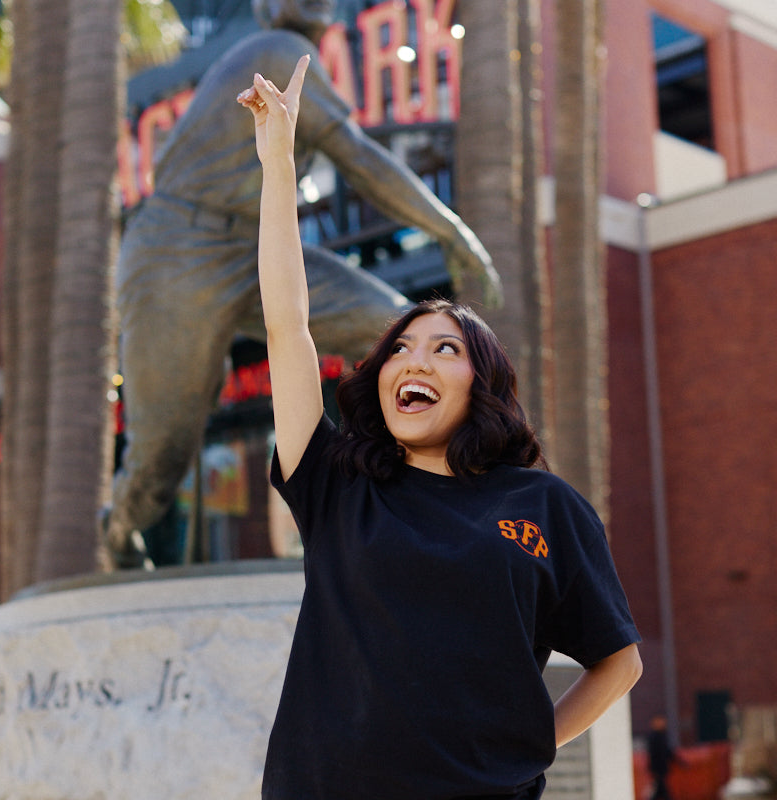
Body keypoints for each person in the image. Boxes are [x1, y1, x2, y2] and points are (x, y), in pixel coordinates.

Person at [239, 56, 643, 800]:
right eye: (400, 346)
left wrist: (519, 746)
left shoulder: (543, 507)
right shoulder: (337, 484)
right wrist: (278, 163)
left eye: (443, 348)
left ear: (479, 385)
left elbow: (619, 662)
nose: (411, 360)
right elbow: (287, 324)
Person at [103, 0, 499, 567]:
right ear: (265, 8)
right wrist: (454, 232)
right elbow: (360, 159)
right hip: (177, 254)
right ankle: (119, 529)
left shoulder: (299, 60)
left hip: (251, 245)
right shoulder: (276, 52)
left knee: (390, 334)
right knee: (160, 453)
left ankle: (401, 491)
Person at [647, 715, 679, 800]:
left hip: (660, 768)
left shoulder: (661, 736)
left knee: (660, 789)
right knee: (661, 789)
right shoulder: (655, 737)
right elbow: (657, 753)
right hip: (659, 768)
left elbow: (667, 752)